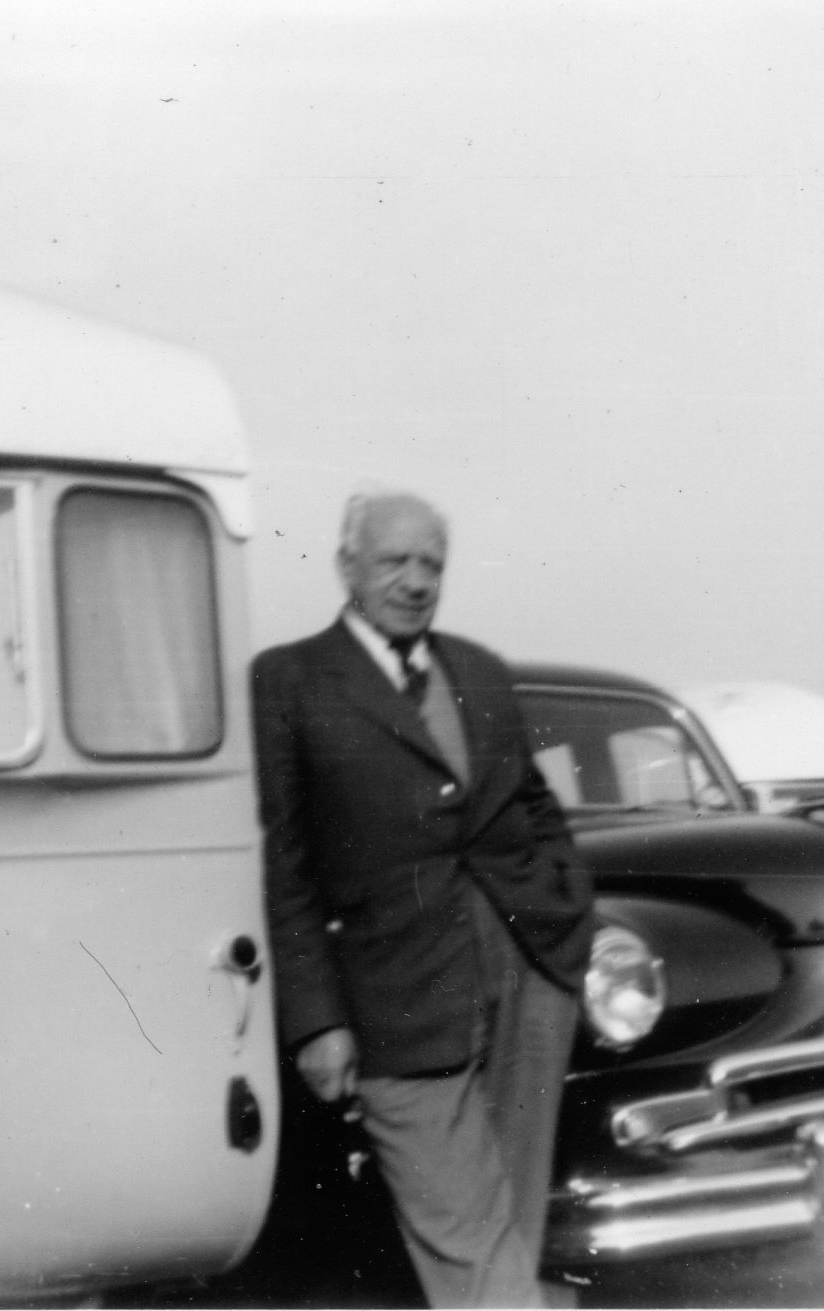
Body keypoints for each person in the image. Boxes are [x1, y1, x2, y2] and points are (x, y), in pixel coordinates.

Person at [251, 490, 595, 1308]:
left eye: (430, 563)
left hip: (526, 969)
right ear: (347, 567)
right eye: (393, 561)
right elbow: (286, 866)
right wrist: (317, 1018)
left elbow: (533, 804)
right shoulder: (289, 679)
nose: (414, 580)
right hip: (393, 999)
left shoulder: (477, 668)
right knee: (464, 1228)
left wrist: (563, 908)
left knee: (510, 1216)